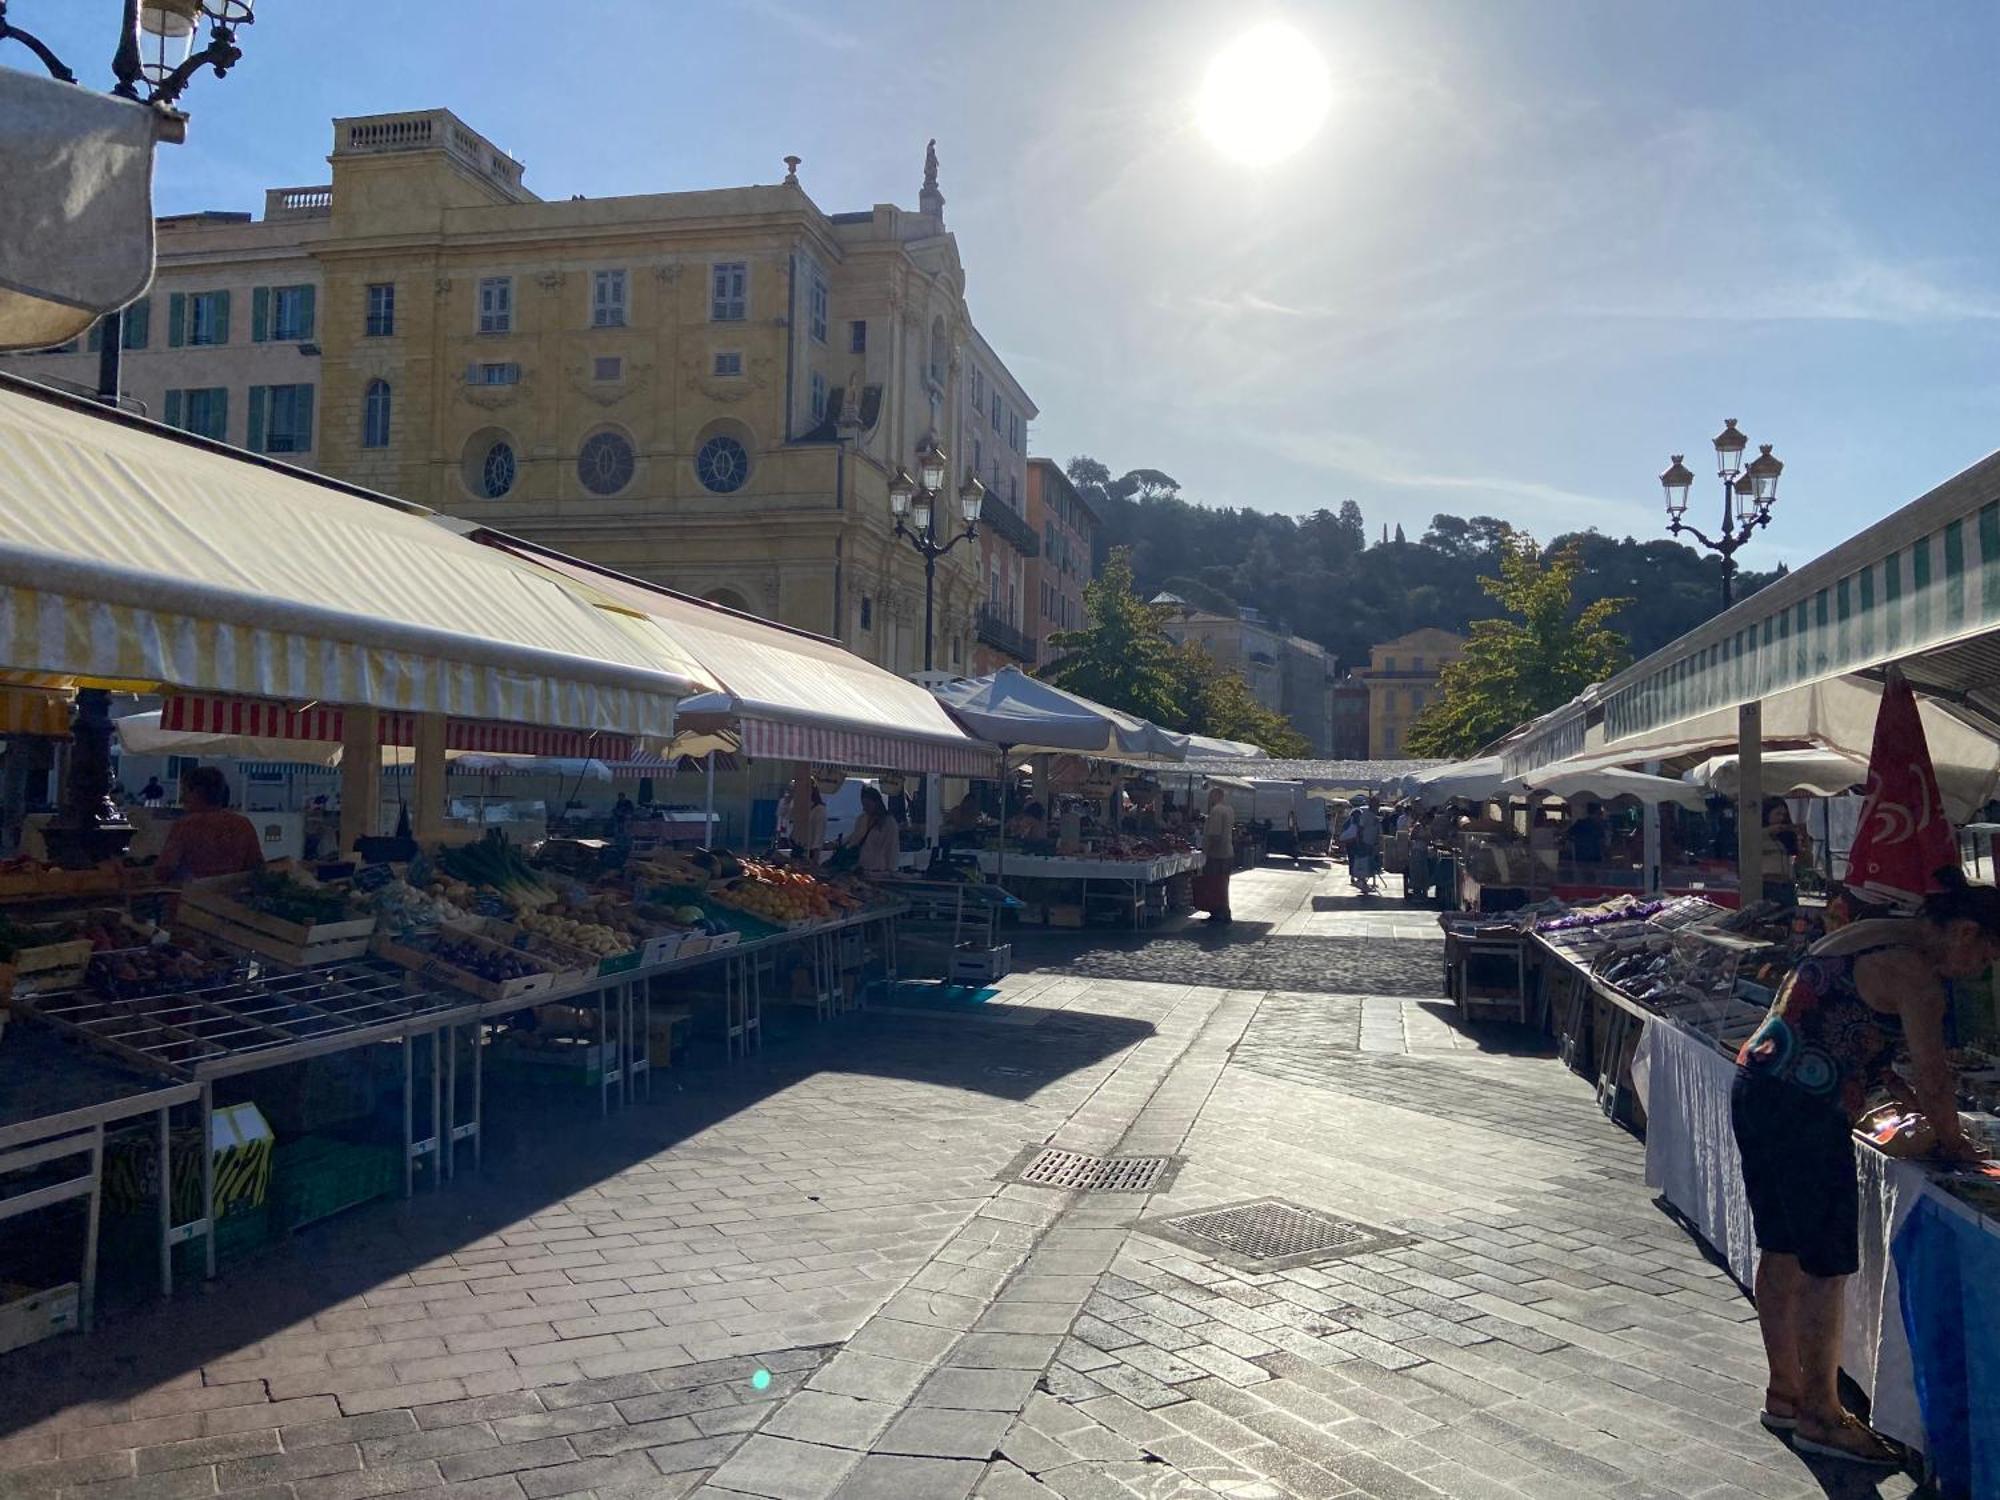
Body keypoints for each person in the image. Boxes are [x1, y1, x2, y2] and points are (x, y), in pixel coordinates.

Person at [1731, 869, 2000, 1463]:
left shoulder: (1870, 932)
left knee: (1780, 1248)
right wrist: (1953, 1141)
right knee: (1826, 1265)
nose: (1980, 970)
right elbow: (1935, 1073)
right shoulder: (1918, 975)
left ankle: (1785, 1392)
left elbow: (1834, 1018)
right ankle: (1822, 1414)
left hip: (1758, 1084)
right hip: (1805, 1108)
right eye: (1985, 954)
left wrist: (1891, 1086)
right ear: (1962, 932)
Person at [155, 766, 264, 883]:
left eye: (185, 792)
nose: (182, 799)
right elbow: (257, 868)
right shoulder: (243, 825)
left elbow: (163, 870)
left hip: (192, 897)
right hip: (231, 897)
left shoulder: (186, 825)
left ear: (197, 792)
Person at [1760, 797, 1811, 907]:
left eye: (1784, 815)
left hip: (1787, 885)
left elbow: (1803, 860)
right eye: (1777, 814)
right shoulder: (1760, 835)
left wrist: (1803, 840)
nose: (1781, 818)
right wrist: (1769, 830)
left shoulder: (1784, 838)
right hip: (1768, 884)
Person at [1198, 785, 1236, 923]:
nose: (1209, 799)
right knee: (1223, 883)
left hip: (1217, 854)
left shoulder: (1216, 811)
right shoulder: (1229, 809)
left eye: (1211, 796)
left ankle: (1217, 912)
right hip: (1228, 851)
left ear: (1216, 796)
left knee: (1214, 883)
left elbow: (1215, 834)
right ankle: (1225, 911)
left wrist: (1206, 851)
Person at [843, 785, 901, 875]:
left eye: (868, 805)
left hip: (879, 870)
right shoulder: (861, 819)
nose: (865, 808)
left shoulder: (889, 822)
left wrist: (891, 871)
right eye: (864, 805)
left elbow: (892, 847)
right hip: (860, 868)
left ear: (877, 803)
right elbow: (854, 837)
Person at [1566, 802, 1608, 867]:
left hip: (1581, 856)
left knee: (1584, 875)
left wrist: (1576, 841)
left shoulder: (1580, 823)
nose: (1601, 816)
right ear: (1596, 812)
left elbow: (1567, 834)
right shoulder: (1598, 826)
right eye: (1600, 813)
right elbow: (1602, 842)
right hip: (1594, 857)